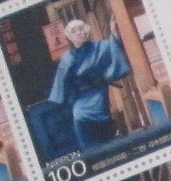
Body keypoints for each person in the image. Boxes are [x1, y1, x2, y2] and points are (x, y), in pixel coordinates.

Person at [47, 16, 132, 150]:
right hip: (80, 101)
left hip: (99, 94)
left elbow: (113, 46)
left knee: (107, 136)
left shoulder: (100, 47)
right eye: (74, 31)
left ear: (86, 31)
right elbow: (62, 84)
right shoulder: (67, 57)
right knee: (82, 126)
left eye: (81, 29)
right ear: (69, 36)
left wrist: (114, 32)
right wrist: (71, 96)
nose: (78, 33)